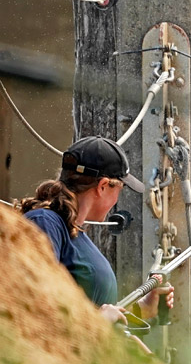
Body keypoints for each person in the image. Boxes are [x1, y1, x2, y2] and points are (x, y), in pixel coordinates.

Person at [18, 136, 173, 329]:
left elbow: (95, 311)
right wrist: (98, 321)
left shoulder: (73, 233)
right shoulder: (45, 222)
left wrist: (143, 309)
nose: (117, 200)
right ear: (102, 186)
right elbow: (32, 303)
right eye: (120, 189)